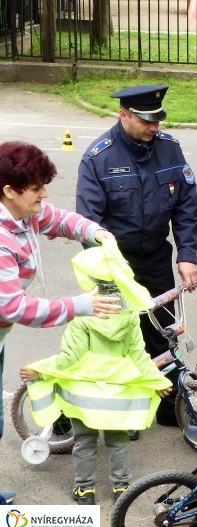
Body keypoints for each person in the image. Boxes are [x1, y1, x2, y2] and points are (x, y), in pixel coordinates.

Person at [0, 141, 120, 504]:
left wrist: (96, 232)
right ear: (9, 191)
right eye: (36, 188)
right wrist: (81, 305)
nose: (43, 194)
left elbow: (60, 218)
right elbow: (14, 306)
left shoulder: (25, 214)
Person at [76, 84, 197, 427]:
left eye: (157, 120)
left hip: (157, 258)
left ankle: (168, 408)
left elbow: (187, 206)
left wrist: (186, 254)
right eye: (146, 121)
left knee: (163, 332)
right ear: (123, 114)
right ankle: (117, 412)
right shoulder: (98, 158)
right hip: (117, 265)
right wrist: (110, 271)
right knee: (116, 337)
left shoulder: (170, 150)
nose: (153, 127)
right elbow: (88, 224)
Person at [19, 242, 171, 505]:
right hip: (118, 396)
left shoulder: (82, 318)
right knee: (118, 441)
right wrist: (157, 381)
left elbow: (68, 359)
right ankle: (122, 488)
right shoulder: (131, 317)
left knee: (84, 442)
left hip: (84, 394)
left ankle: (85, 490)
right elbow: (139, 356)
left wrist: (39, 371)